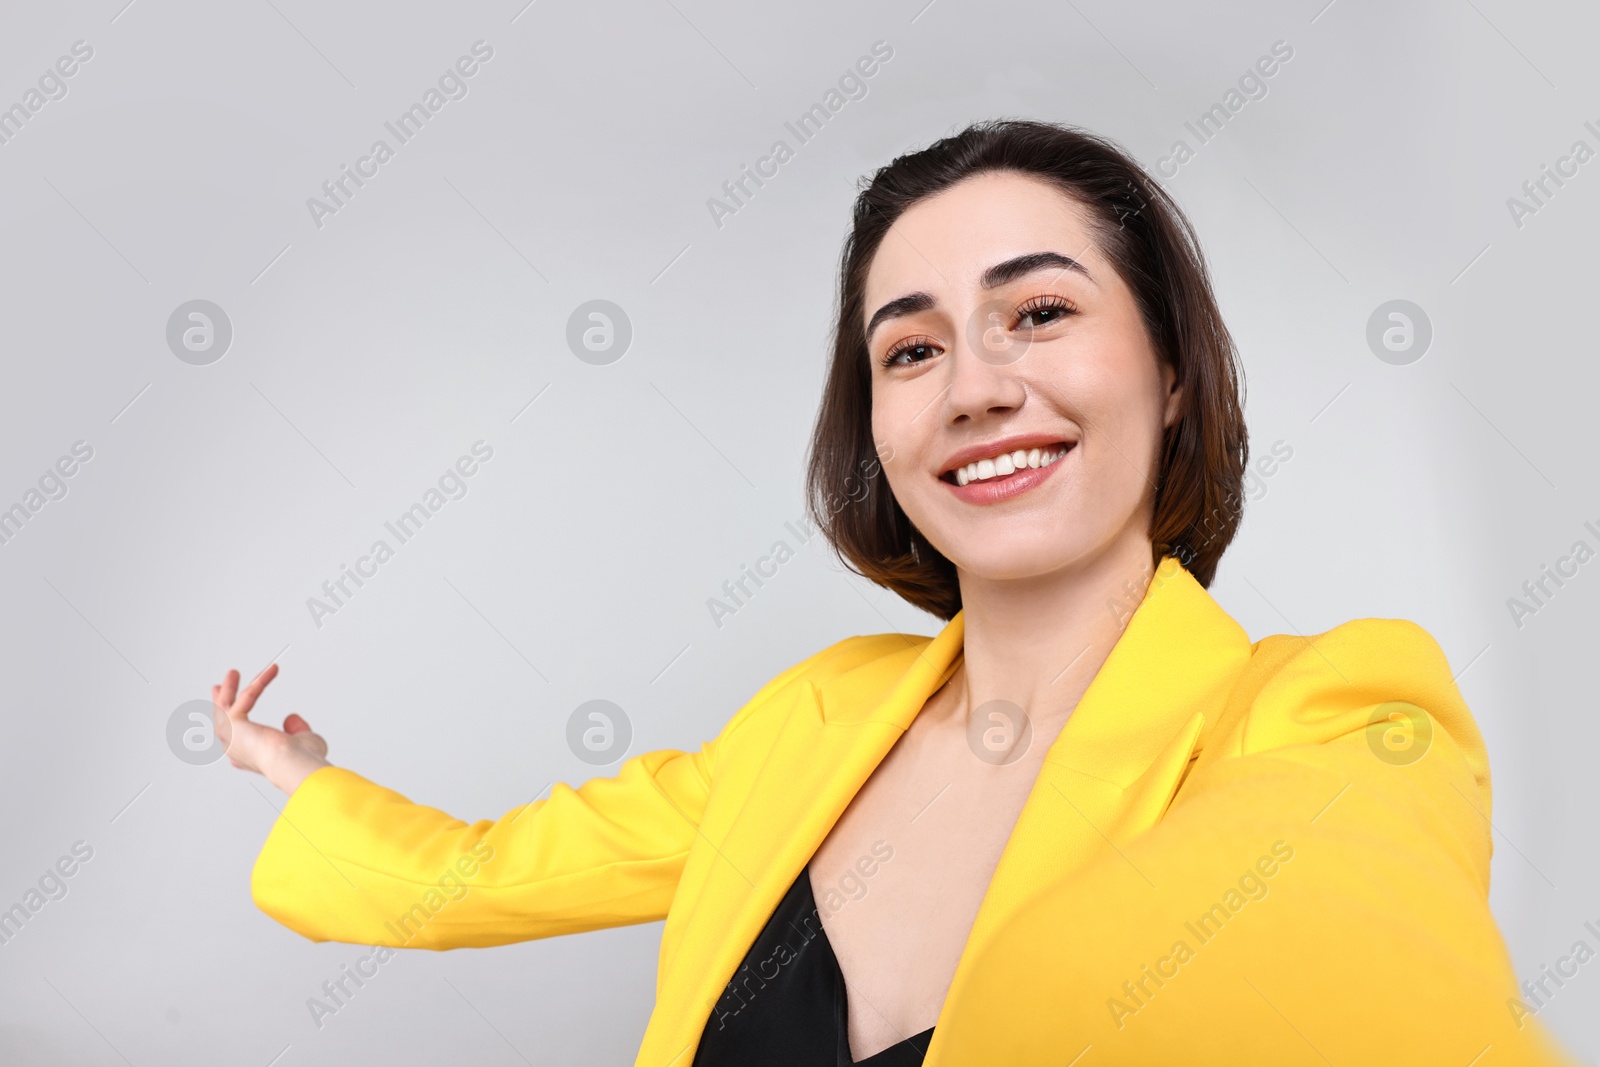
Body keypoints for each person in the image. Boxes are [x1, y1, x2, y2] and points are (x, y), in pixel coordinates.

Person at [218, 120, 1574, 1065]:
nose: (977, 385)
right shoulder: (815, 716)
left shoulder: (1327, 709)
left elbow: (1359, 966)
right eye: (910, 348)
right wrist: (303, 780)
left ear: (1169, 376)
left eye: (1040, 313)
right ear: (873, 420)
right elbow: (477, 877)